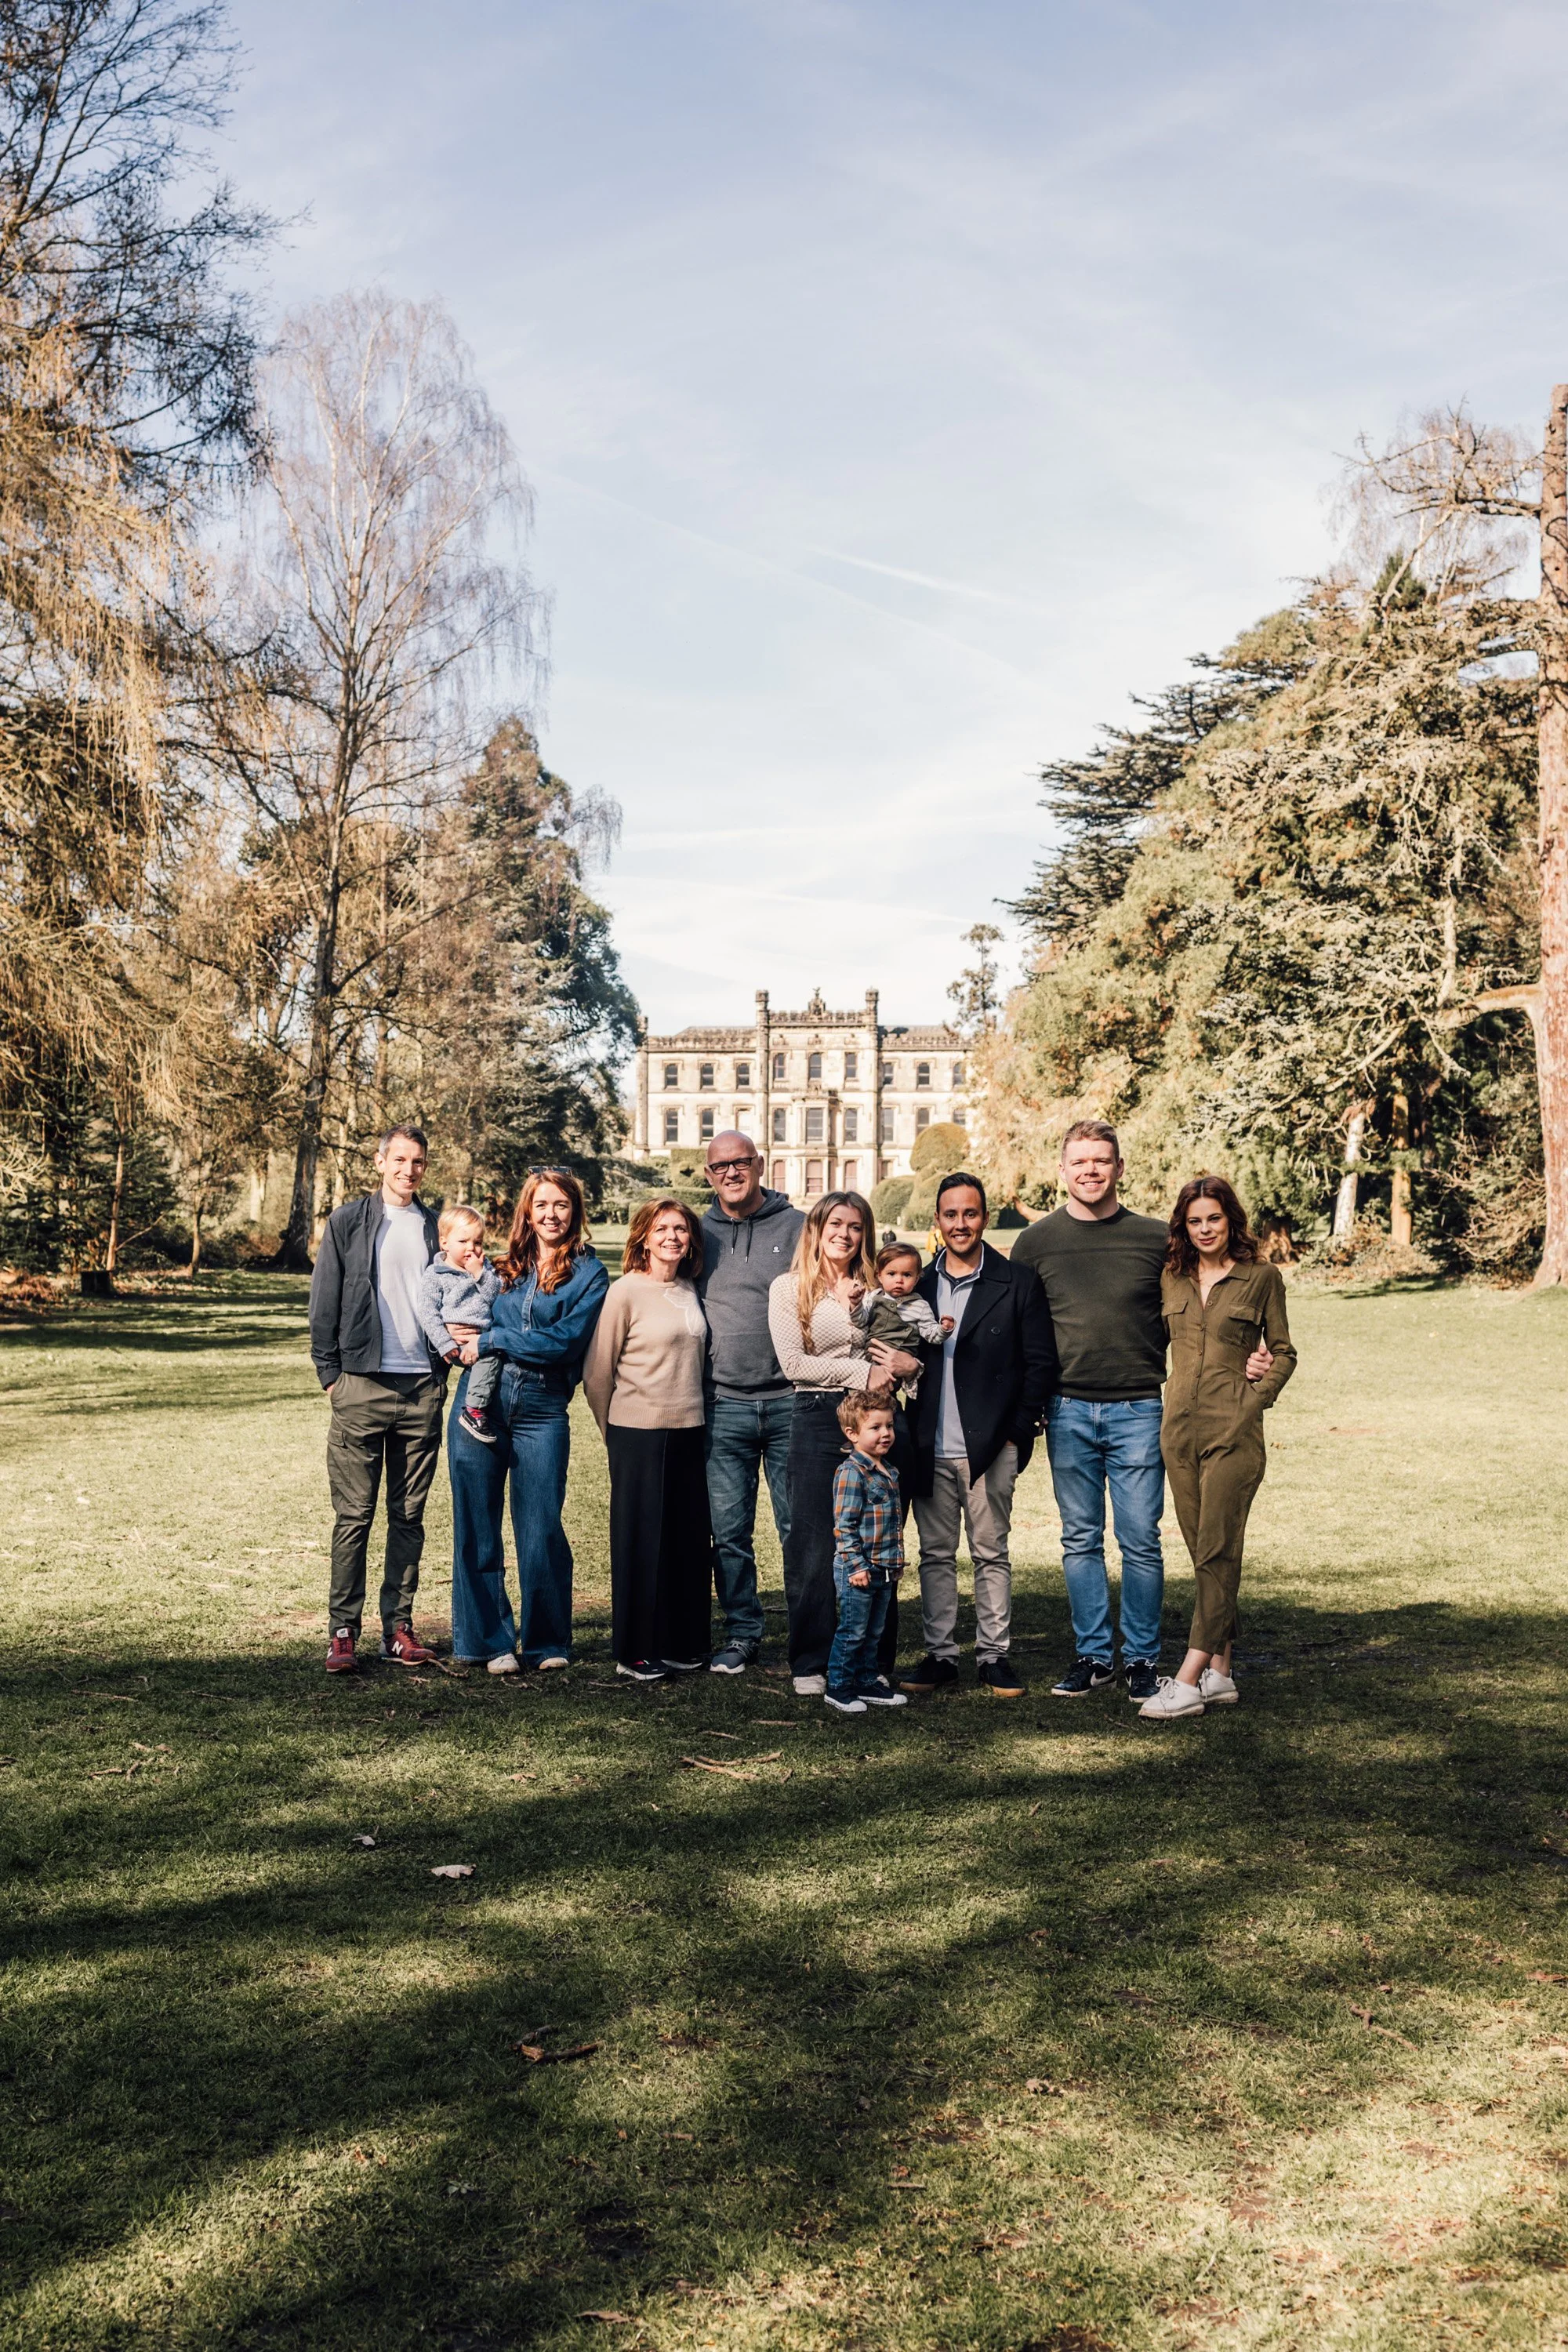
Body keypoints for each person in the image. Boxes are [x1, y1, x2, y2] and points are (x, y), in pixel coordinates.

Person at [1012, 1120, 1272, 1704]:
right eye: (1079, 1161)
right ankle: (1093, 1655)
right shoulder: (1036, 1243)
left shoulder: (1157, 1240)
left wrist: (1248, 1356)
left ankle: (1141, 1660)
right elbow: (1021, 1329)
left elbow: (1208, 1301)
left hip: (1139, 1408)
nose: (1091, 1170)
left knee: (1140, 1540)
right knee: (1079, 1539)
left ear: (1119, 1168)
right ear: (1063, 1169)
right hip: (1068, 1408)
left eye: (1102, 1160)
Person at [1138, 1174, 1297, 1720]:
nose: (1205, 1229)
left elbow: (1284, 1352)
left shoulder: (1261, 1278)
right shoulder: (1172, 1278)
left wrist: (1258, 1397)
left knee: (1216, 1548)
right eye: (1195, 1220)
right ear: (1184, 1226)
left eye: (1215, 1219)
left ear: (1231, 1221)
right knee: (1203, 1552)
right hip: (1178, 1432)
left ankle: (1187, 1677)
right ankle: (1222, 1675)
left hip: (1234, 1432)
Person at [901, 1174, 1057, 1700]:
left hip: (990, 1446)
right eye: (950, 1215)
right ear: (938, 1221)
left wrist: (1015, 1434)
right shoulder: (917, 1285)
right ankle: (941, 1655)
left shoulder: (1018, 1282)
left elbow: (1039, 1367)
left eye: (970, 1214)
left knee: (991, 1553)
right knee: (935, 1554)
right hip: (930, 1443)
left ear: (984, 1217)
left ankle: (994, 1656)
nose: (960, 1224)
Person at [448, 1169, 608, 1675]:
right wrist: (458, 1331)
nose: (551, 1214)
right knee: (477, 1526)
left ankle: (545, 1642)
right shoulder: (502, 1268)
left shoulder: (590, 1275)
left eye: (561, 1205)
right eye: (541, 1205)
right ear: (527, 1211)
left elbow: (565, 1341)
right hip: (481, 1404)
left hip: (542, 1409)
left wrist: (493, 1340)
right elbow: (464, 1313)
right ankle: (489, 1642)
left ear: (575, 1212)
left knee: (541, 1530)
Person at [767, 1191, 920, 1696]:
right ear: (816, 1228)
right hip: (816, 1415)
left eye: (856, 1227)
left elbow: (905, 1345)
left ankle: (872, 1660)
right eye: (836, 1223)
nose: (845, 1234)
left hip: (879, 1421)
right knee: (812, 1541)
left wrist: (904, 1368)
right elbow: (794, 1364)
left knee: (879, 1539)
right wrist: (866, 1371)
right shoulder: (790, 1289)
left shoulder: (878, 1289)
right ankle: (811, 1659)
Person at [309, 1125, 445, 1676]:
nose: (408, 1171)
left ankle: (399, 1629)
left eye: (417, 1163)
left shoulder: (438, 1228)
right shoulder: (348, 1222)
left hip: (422, 1390)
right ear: (380, 1161)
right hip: (360, 1385)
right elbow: (324, 1299)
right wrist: (330, 1376)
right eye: (399, 1160)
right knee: (354, 1516)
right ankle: (343, 1631)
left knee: (408, 1515)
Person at [584, 1197, 713, 1684]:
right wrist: (613, 1434)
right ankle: (636, 1649)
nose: (672, 1237)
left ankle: (682, 1643)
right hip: (636, 1431)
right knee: (641, 1542)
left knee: (686, 1540)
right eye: (662, 1229)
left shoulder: (689, 1289)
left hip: (689, 1427)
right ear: (643, 1236)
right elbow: (597, 1373)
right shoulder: (625, 1292)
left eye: (680, 1229)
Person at [697, 1132, 804, 1675]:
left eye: (740, 1163)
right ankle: (742, 1632)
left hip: (790, 1401)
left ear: (760, 1164)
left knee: (798, 1528)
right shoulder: (697, 1232)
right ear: (709, 1173)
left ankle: (808, 1635)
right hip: (724, 1403)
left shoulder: (797, 1225)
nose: (731, 1173)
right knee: (731, 1532)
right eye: (720, 1167)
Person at [825, 1391, 909, 1716]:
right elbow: (843, 1526)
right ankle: (839, 1686)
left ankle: (865, 1679)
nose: (886, 1433)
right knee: (853, 1629)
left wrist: (896, 1562)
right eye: (875, 1427)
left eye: (889, 1426)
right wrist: (856, 1566)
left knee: (874, 1630)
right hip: (857, 1570)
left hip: (884, 1568)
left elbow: (891, 1525)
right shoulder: (851, 1473)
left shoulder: (889, 1471)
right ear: (853, 1433)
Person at [416, 1206, 502, 1446]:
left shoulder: (484, 1268)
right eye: (463, 1241)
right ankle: (474, 1410)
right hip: (456, 1343)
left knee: (495, 1353)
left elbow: (497, 1296)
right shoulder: (436, 1274)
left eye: (477, 1242)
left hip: (483, 1336)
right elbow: (428, 1312)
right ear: (444, 1243)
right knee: (491, 1357)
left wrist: (480, 1274)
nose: (471, 1248)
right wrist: (444, 1343)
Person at [853, 1243, 946, 1354]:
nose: (899, 1280)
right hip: (872, 1358)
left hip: (902, 1362)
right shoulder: (873, 1297)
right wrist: (856, 1305)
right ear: (880, 1276)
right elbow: (860, 1321)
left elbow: (931, 1335)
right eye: (892, 1274)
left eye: (907, 1275)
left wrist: (944, 1329)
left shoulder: (920, 1306)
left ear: (916, 1279)